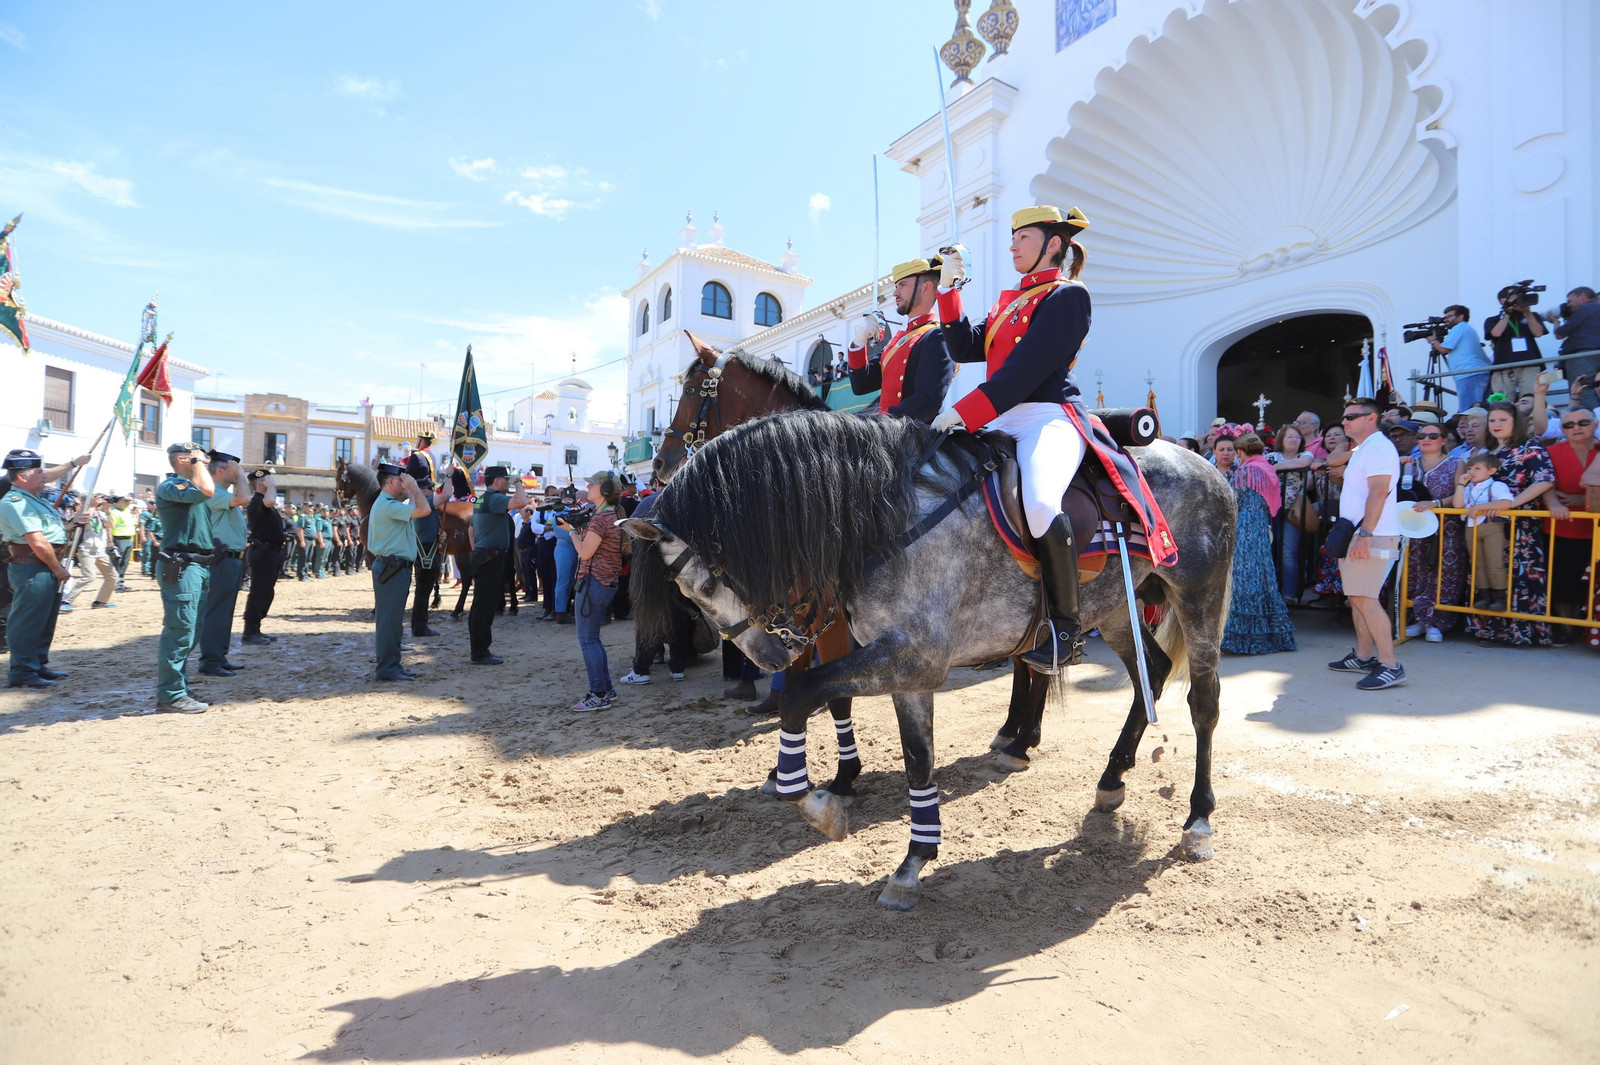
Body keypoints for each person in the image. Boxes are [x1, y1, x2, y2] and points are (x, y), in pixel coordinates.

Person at [933, 205, 1176, 672]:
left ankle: (1066, 632)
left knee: (1042, 504)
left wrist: (965, 413)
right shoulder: (1010, 301)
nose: (1012, 244)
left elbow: (1027, 371)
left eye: (1022, 237)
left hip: (1046, 417)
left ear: (1054, 244)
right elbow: (964, 346)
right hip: (1001, 418)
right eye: (1013, 237)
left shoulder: (1068, 296)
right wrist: (949, 290)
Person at [1328, 398, 1406, 689]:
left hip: (1372, 533)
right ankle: (1363, 655)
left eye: (1351, 417)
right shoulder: (1364, 449)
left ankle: (1390, 665)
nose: (1344, 422)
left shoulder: (1378, 448)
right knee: (1357, 596)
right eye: (1344, 417)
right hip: (1360, 532)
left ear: (1372, 418)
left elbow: (1378, 492)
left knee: (1364, 598)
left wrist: (1366, 534)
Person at [1464, 402, 1556, 647]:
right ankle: (1490, 631)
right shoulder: (1486, 451)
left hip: (1519, 523)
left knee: (1517, 574)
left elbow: (1545, 480)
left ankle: (1520, 631)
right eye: (1492, 420)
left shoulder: (1530, 447)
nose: (1497, 425)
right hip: (1485, 521)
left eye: (1503, 420)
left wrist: (1512, 504)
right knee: (1487, 571)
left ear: (1516, 422)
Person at [0, 449, 90, 688]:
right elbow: (38, 543)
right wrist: (57, 568)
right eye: (39, 472)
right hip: (33, 567)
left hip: (43, 566)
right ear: (23, 476)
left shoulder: (35, 499)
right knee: (27, 621)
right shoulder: (16, 502)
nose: (44, 476)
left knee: (44, 620)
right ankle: (22, 671)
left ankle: (37, 664)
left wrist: (72, 525)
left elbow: (50, 533)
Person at [845, 256, 956, 423]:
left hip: (913, 434)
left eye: (903, 285)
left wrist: (880, 425)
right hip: (888, 432)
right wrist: (858, 343)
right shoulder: (897, 342)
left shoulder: (938, 337)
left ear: (926, 288)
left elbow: (926, 403)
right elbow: (861, 385)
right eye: (896, 286)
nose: (895, 293)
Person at [153, 442, 216, 713]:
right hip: (183, 566)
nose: (207, 462)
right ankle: (170, 695)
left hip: (197, 566)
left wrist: (199, 464)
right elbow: (206, 490)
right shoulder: (171, 486)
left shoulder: (190, 488)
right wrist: (197, 463)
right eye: (201, 458)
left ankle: (179, 686)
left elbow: (206, 490)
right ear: (183, 459)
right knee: (180, 631)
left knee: (192, 632)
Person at [1221, 434, 1296, 653]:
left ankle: (1241, 639)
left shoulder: (1245, 471)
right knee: (1262, 576)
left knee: (1243, 577)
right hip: (1261, 525)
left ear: (1240, 451)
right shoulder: (1267, 469)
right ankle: (1270, 636)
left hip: (1244, 525)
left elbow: (1233, 500)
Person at [563, 470, 625, 711]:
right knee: (593, 638)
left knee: (588, 640)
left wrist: (570, 531)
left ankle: (599, 695)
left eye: (592, 484)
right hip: (603, 582)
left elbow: (585, 553)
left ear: (605, 490)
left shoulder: (601, 518)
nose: (588, 487)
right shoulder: (610, 514)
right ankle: (605, 689)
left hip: (593, 583)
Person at [1401, 420, 1467, 643]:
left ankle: (1437, 622)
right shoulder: (1409, 464)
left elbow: (1460, 493)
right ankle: (1417, 619)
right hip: (1413, 527)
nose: (1426, 440)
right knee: (1416, 572)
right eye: (1421, 436)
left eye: (1432, 436)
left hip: (1446, 527)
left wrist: (1436, 503)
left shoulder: (1456, 463)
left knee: (1444, 574)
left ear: (1444, 440)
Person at [368, 462, 429, 681]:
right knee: (389, 622)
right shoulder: (387, 505)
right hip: (391, 569)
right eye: (401, 480)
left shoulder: (390, 504)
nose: (404, 484)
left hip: (394, 568)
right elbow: (424, 510)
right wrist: (414, 487)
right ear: (391, 482)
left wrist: (410, 490)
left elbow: (413, 507)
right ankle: (387, 668)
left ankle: (393, 665)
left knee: (393, 621)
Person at [1542, 406, 1597, 641]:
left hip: (1595, 530)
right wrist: (1555, 504)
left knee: (1592, 582)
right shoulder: (1550, 452)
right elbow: (1545, 484)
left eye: (1583, 423)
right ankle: (1564, 628)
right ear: (1562, 429)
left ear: (1595, 425)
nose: (1576, 428)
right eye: (1569, 424)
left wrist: (1581, 500)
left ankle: (1587, 628)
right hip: (1560, 526)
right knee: (1561, 579)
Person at [196, 450, 251, 676]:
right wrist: (241, 476)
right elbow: (245, 498)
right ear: (221, 470)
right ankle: (210, 661)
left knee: (225, 612)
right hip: (220, 560)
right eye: (233, 467)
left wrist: (238, 476)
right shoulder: (213, 492)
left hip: (232, 560)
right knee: (216, 612)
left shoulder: (222, 494)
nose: (238, 471)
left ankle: (219, 656)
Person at [466, 465, 528, 664]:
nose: (509, 482)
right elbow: (522, 502)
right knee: (484, 607)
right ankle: (480, 652)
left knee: (480, 605)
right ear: (497, 481)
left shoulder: (483, 499)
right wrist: (519, 481)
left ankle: (479, 650)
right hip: (490, 559)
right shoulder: (494, 498)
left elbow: (471, 530)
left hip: (483, 556)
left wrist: (477, 550)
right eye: (507, 479)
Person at [1452, 453, 1515, 613]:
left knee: (1494, 563)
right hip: (1471, 527)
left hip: (1491, 526)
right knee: (1477, 563)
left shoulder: (1497, 486)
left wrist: (1479, 507)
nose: (1471, 471)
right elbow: (1458, 505)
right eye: (1469, 468)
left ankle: (1500, 597)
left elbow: (1507, 502)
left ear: (1491, 471)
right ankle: (1484, 595)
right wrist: (1461, 484)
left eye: (1477, 468)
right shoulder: (1468, 488)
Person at [1268, 424, 1315, 601]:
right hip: (1271, 509)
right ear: (1281, 439)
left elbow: (1304, 464)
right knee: (1270, 550)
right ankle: (1270, 594)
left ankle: (1288, 594)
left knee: (1288, 552)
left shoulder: (1305, 455)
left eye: (1297, 437)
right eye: (1290, 436)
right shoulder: (1270, 456)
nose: (1294, 440)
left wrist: (1277, 467)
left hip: (1293, 509)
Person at [405, 452, 447, 637]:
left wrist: (440, 534)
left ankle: (418, 625)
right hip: (426, 552)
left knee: (422, 591)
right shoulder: (426, 502)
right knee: (423, 592)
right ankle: (420, 627)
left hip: (426, 549)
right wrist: (449, 475)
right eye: (430, 489)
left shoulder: (419, 505)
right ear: (422, 490)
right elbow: (447, 494)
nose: (432, 491)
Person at [241, 469, 283, 645]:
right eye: (268, 480)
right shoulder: (257, 501)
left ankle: (256, 628)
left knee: (266, 592)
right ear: (261, 484)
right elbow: (270, 500)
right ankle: (249, 632)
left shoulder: (263, 503)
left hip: (271, 552)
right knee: (259, 592)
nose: (272, 482)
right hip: (263, 552)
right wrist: (272, 486)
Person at [1485, 285, 1548, 399]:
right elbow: (1496, 333)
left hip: (1530, 364)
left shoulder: (1532, 316)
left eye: (1521, 296)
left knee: (1531, 400)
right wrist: (1507, 313)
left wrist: (1528, 313)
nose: (1520, 299)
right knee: (1503, 402)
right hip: (1503, 366)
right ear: (1503, 300)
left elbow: (1538, 333)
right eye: (1515, 296)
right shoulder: (1493, 320)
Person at [1545, 286, 1600, 411]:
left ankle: (1589, 420)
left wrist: (1555, 322)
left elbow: (1560, 334)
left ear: (1582, 297)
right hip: (1593, 354)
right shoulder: (1596, 309)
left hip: (1583, 358)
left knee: (1583, 392)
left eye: (1570, 301)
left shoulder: (1586, 308)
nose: (1568, 305)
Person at [61, 494, 117, 611]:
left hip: (99, 549)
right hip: (86, 549)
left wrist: (107, 510)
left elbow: (111, 525)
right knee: (89, 576)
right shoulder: (81, 511)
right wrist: (92, 505)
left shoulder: (100, 513)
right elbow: (85, 519)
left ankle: (100, 601)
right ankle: (66, 601)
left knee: (113, 576)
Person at [1429, 305, 1489, 411]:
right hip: (1474, 373)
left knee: (1468, 410)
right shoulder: (1467, 328)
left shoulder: (1459, 327)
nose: (1445, 320)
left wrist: (1433, 340)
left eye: (1449, 317)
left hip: (1468, 374)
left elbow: (1444, 349)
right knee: (1477, 408)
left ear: (1460, 317)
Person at [552, 486, 580, 624]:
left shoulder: (574, 510)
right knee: (563, 581)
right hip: (565, 546)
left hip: (573, 547)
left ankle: (565, 609)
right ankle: (560, 612)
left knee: (569, 582)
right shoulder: (560, 511)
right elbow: (566, 533)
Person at [108, 495, 136, 592]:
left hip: (128, 539)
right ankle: (116, 584)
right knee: (117, 562)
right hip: (119, 539)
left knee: (125, 563)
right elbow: (109, 528)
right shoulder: (114, 512)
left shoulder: (127, 511)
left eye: (129, 501)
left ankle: (121, 583)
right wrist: (110, 541)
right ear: (119, 502)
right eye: (125, 501)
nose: (128, 503)